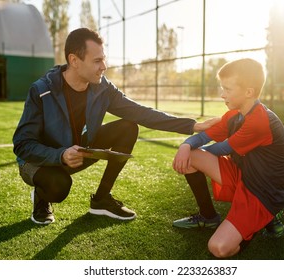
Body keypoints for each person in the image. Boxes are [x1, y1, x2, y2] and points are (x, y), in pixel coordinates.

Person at [13, 28, 218, 225]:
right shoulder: (41, 90)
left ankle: (101, 199)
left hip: (78, 149)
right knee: (58, 187)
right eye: (97, 60)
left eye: (104, 58)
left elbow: (140, 113)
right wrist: (60, 155)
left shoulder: (102, 87)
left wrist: (193, 125)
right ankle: (41, 196)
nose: (104, 66)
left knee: (128, 127)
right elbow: (22, 145)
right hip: (40, 161)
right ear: (74, 60)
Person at [172, 58, 284, 258]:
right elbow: (203, 136)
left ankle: (266, 217)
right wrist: (186, 146)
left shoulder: (260, 120)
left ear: (248, 92)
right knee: (191, 156)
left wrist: (192, 151)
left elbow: (221, 148)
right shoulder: (234, 114)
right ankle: (208, 217)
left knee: (218, 248)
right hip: (242, 176)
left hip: (261, 193)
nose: (222, 94)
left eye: (227, 89)